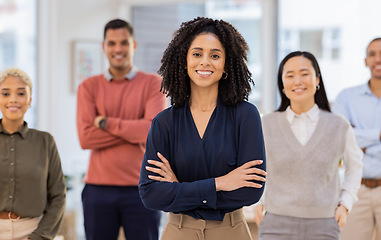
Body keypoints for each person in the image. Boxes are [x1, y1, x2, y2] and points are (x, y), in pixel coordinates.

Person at [138, 17, 266, 240]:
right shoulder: (164, 123)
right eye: (197, 54)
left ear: (226, 64)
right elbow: (151, 194)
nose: (205, 62)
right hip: (178, 232)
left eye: (215, 55)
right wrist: (221, 183)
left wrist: (179, 189)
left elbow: (251, 190)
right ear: (184, 61)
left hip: (231, 231)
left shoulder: (246, 116)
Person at [254, 51, 363, 240]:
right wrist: (258, 202)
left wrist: (345, 205)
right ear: (282, 84)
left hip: (324, 224)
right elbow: (258, 168)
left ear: (317, 80)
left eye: (304, 74)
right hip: (275, 224)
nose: (297, 81)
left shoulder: (339, 125)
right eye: (289, 75)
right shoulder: (265, 124)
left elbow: (355, 167)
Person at [76, 19, 167, 240]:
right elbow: (86, 138)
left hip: (142, 188)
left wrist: (106, 123)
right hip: (97, 190)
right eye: (112, 43)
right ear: (104, 46)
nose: (118, 49)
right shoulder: (88, 87)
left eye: (124, 43)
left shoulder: (153, 84)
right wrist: (133, 129)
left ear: (133, 45)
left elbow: (150, 132)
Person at [0, 68, 66, 240]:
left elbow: (58, 196)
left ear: (29, 99)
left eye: (21, 93)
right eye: (5, 93)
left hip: (32, 232)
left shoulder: (46, 142)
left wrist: (39, 237)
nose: (13, 99)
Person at [332, 37, 381, 240]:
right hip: (356, 191)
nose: (378, 59)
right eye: (372, 54)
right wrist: (378, 135)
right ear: (365, 61)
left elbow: (351, 139)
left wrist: (359, 138)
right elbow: (339, 138)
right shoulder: (346, 98)